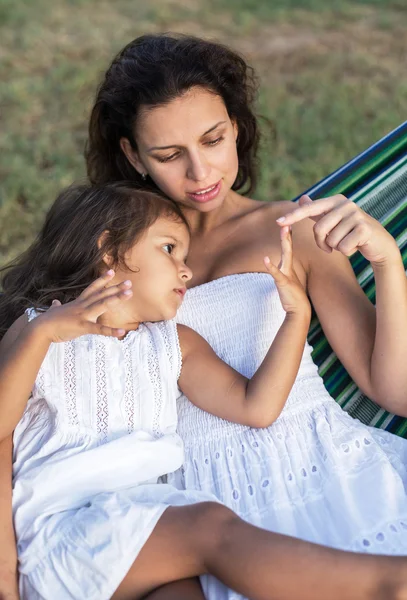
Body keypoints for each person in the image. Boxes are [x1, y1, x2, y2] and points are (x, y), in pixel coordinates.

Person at [83, 33, 407, 600]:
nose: (201, 170)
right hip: (188, 507)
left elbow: (394, 390)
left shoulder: (293, 230)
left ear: (236, 125)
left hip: (318, 474)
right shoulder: (112, 254)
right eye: (168, 155)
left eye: (214, 138)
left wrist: (387, 262)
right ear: (133, 155)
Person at [2, 182, 406, 600]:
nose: (186, 270)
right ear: (110, 250)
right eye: (168, 249)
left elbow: (258, 407)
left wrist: (295, 317)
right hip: (67, 533)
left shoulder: (173, 344)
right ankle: (385, 584)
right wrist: (40, 336)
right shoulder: (38, 331)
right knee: (210, 528)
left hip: (145, 529)